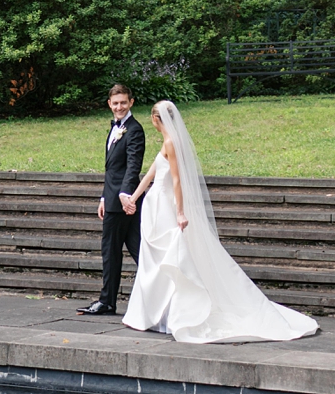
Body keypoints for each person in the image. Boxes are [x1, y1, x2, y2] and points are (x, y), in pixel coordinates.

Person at [121, 99, 318, 343]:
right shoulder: (167, 141)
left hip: (164, 207)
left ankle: (171, 315)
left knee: (170, 259)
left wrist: (180, 212)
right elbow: (151, 173)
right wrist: (133, 197)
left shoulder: (171, 142)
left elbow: (177, 180)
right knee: (157, 260)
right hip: (153, 206)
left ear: (154, 120)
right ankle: (158, 315)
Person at [79, 82, 145, 317]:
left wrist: (124, 195)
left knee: (111, 251)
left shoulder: (134, 129)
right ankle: (165, 294)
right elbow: (112, 170)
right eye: (115, 103)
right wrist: (103, 198)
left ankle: (107, 302)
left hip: (123, 202)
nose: (119, 107)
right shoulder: (115, 128)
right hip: (114, 200)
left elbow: (132, 167)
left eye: (123, 103)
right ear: (109, 104)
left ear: (131, 103)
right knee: (140, 252)